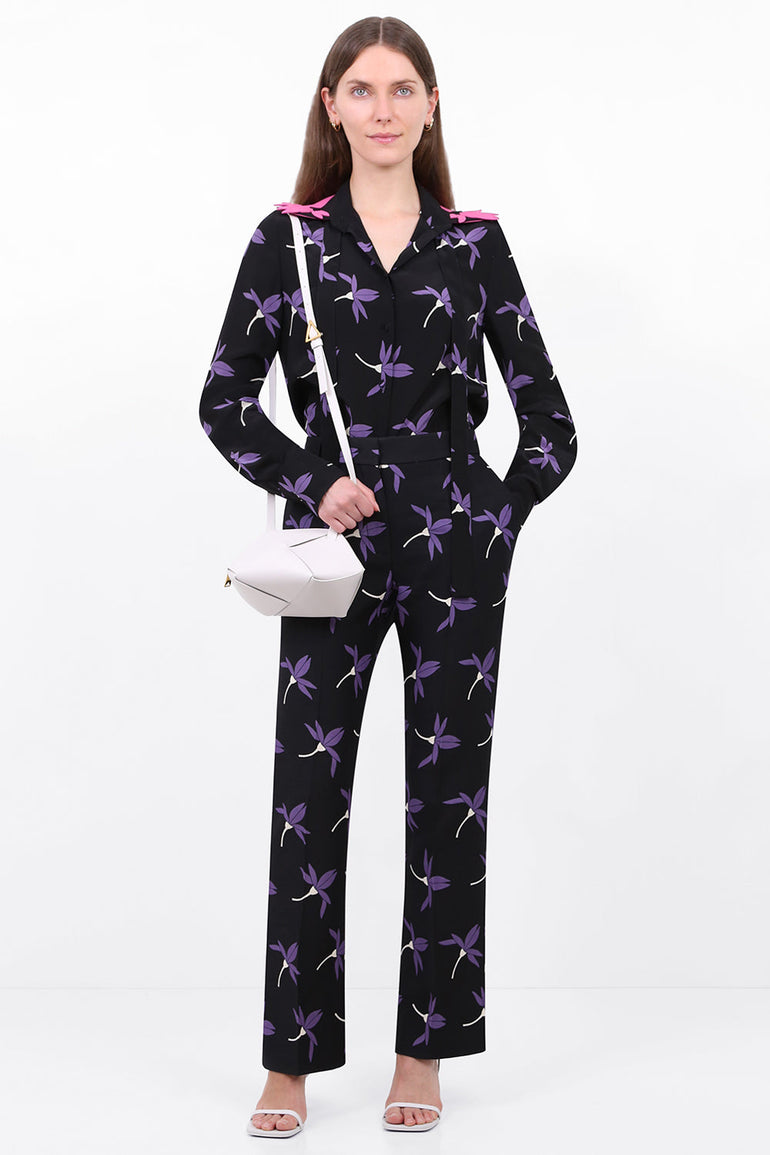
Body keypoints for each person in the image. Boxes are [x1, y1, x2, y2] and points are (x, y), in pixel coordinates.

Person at [199, 15, 578, 1138]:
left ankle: (424, 1050)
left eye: (401, 88)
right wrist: (314, 480)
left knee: (449, 796)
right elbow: (224, 400)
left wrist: (494, 516)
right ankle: (289, 1062)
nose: (380, 108)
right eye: (359, 89)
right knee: (307, 798)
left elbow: (550, 423)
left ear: (429, 106)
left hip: (456, 548)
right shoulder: (289, 241)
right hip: (334, 547)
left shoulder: (474, 244)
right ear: (331, 106)